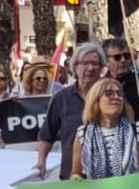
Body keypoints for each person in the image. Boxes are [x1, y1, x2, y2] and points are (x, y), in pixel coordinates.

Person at [35, 42, 104, 180]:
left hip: (105, 175)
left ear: (101, 67)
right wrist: (41, 161)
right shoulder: (61, 98)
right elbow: (47, 136)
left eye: (95, 64)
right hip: (71, 175)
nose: (90, 68)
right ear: (75, 67)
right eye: (85, 63)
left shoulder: (111, 95)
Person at [71, 78, 139, 179]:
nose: (116, 97)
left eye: (120, 94)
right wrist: (76, 178)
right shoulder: (83, 134)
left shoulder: (137, 131)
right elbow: (75, 173)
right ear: (96, 99)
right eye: (109, 93)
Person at [103, 37, 139, 128]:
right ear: (106, 62)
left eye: (126, 56)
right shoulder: (100, 85)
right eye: (117, 57)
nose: (123, 60)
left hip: (137, 138)